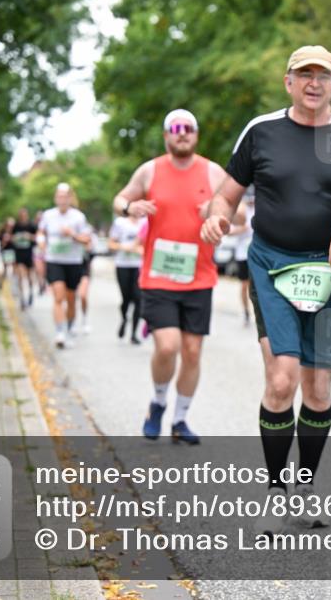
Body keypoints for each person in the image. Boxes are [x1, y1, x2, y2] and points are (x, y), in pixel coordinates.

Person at [201, 45, 331, 536]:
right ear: (288, 82)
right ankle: (275, 489)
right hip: (272, 266)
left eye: (323, 75)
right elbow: (228, 193)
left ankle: (307, 486)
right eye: (304, 74)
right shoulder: (262, 131)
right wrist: (217, 217)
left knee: (318, 389)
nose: (314, 82)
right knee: (282, 380)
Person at [114, 109, 228, 446]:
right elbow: (120, 198)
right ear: (166, 135)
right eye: (175, 129)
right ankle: (158, 403)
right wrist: (128, 208)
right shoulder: (150, 170)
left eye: (188, 128)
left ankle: (180, 419)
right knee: (168, 346)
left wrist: (217, 219)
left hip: (200, 276)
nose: (182, 133)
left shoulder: (213, 172)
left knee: (192, 352)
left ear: (196, 135)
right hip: (159, 276)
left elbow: (235, 217)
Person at [37, 183, 92, 349]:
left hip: (73, 262)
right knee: (58, 297)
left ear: (70, 198)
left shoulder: (78, 217)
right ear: (55, 198)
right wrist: (41, 243)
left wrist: (72, 234)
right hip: (54, 260)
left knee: (71, 299)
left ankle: (69, 327)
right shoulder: (48, 215)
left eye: (64, 196)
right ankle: (60, 332)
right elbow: (41, 233)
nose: (61, 199)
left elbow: (86, 240)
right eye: (59, 196)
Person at [109, 213, 146, 345]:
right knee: (126, 298)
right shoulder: (120, 222)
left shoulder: (145, 222)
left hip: (139, 266)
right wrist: (124, 247)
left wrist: (141, 249)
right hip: (122, 265)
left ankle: (134, 334)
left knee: (138, 298)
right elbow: (111, 243)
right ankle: (124, 319)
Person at [228, 189, 255, 325]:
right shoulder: (240, 211)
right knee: (244, 285)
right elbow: (229, 231)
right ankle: (245, 311)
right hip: (242, 253)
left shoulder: (260, 209)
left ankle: (258, 311)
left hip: (255, 254)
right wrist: (241, 229)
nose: (251, 201)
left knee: (255, 285)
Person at [12, 207, 38, 310]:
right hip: (19, 254)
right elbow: (12, 238)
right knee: (20, 276)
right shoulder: (16, 226)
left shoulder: (32, 225)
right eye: (21, 214)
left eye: (24, 214)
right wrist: (15, 238)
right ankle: (22, 298)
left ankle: (31, 292)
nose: (23, 216)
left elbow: (37, 238)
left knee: (29, 276)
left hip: (29, 254)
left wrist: (29, 236)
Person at [77, 229, 97, 334]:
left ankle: (84, 319)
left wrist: (88, 247)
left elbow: (92, 255)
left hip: (85, 272)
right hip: (71, 271)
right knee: (70, 298)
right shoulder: (73, 243)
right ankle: (71, 322)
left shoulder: (89, 247)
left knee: (83, 296)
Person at [0, 217, 16, 289]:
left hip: (13, 251)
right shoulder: (2, 232)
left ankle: (13, 284)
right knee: (5, 268)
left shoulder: (14, 232)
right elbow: (1, 244)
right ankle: (1, 283)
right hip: (6, 251)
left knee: (14, 268)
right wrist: (5, 240)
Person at [33, 210, 48, 296]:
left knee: (45, 270)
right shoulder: (34, 227)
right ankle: (40, 284)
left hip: (47, 251)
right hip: (37, 251)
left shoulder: (48, 226)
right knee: (39, 270)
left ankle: (44, 284)